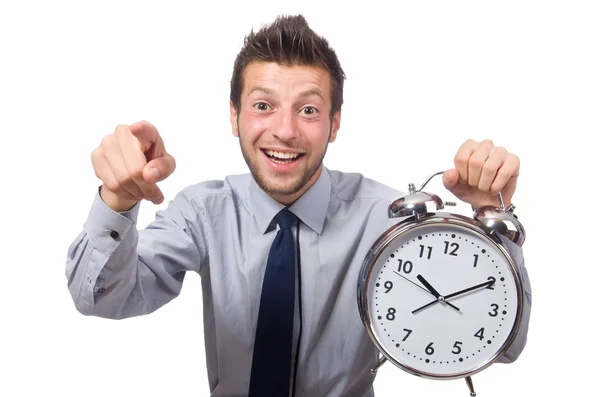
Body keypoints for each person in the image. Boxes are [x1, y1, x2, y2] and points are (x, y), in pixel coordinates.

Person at [66, 14, 531, 397]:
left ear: (334, 123)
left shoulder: (385, 219)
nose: (284, 131)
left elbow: (504, 345)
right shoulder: (202, 212)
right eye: (263, 105)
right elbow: (101, 297)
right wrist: (118, 201)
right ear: (234, 116)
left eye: (308, 110)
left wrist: (493, 225)